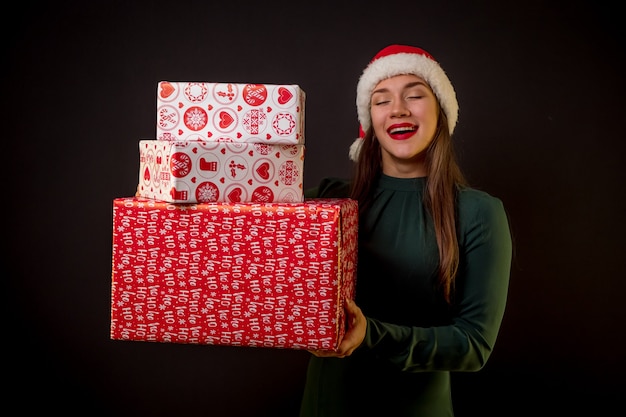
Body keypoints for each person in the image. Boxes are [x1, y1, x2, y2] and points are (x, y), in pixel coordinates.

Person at [299, 44, 513, 417]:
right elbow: (242, 227)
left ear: (441, 112)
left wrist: (371, 334)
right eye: (382, 101)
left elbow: (473, 345)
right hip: (327, 403)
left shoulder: (479, 213)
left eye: (414, 95)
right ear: (369, 122)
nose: (398, 108)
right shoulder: (329, 200)